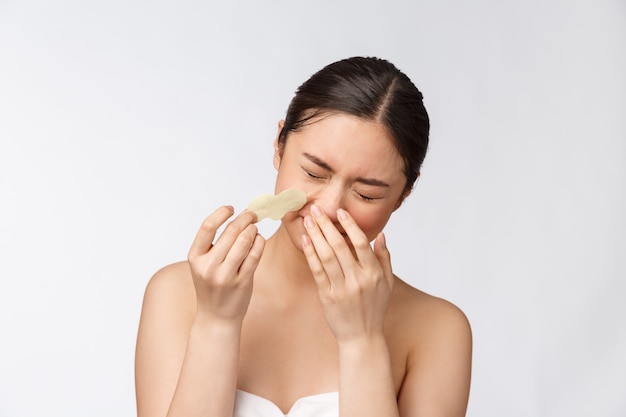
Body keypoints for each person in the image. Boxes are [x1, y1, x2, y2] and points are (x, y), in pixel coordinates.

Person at [135, 56, 472, 417]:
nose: (327, 208)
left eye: (366, 194)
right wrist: (217, 323)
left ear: (403, 195)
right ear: (279, 145)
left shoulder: (437, 330)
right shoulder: (177, 293)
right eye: (314, 172)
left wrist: (363, 341)